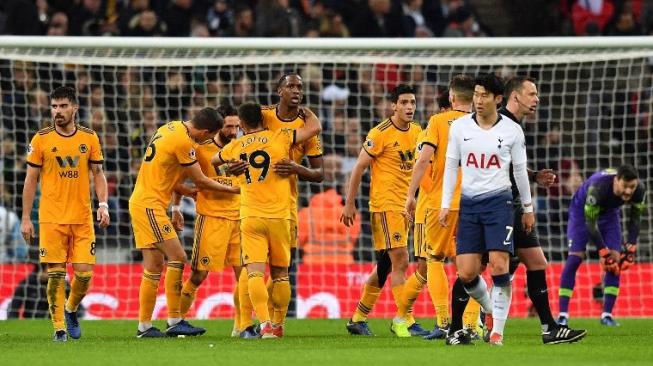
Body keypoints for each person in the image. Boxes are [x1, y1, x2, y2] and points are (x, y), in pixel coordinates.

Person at [212, 102, 322, 338]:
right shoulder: (280, 137)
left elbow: (213, 161)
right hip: (281, 216)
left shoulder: (235, 146)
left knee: (253, 274)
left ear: (241, 123)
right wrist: (306, 111)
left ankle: (263, 325)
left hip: (251, 216)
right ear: (263, 119)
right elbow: (314, 128)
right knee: (281, 274)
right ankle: (278, 325)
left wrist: (231, 169)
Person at [439, 73, 532, 346]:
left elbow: (519, 172)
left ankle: (497, 333)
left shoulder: (512, 131)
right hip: (469, 205)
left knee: (499, 265)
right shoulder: (459, 128)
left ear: (497, 99)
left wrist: (527, 207)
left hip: (499, 204)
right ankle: (493, 309)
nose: (478, 100)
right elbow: (450, 167)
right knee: (466, 272)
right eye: (476, 95)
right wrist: (447, 204)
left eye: (484, 96)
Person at [129, 107, 238, 338]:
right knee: (178, 257)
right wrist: (235, 189)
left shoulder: (170, 127)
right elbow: (201, 179)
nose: (207, 141)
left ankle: (144, 327)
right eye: (209, 136)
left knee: (154, 267)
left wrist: (184, 196)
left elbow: (168, 175)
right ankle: (174, 319)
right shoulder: (184, 142)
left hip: (146, 202)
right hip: (149, 205)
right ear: (205, 131)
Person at [500, 76, 586, 344]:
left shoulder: (513, 125)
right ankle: (460, 323)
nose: (537, 99)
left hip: (512, 203)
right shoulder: (502, 125)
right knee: (475, 268)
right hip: (499, 205)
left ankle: (550, 327)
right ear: (515, 96)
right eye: (532, 94)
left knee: (535, 263)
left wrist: (534, 175)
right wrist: (527, 206)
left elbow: (509, 166)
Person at [20, 86, 110, 342]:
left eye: (62, 106)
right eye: (54, 106)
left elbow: (98, 174)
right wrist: (26, 218)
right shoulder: (41, 139)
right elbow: (30, 180)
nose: (57, 111)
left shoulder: (90, 138)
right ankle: (59, 328)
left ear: (74, 108)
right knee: (56, 274)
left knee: (83, 274)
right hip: (51, 218)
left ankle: (70, 310)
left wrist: (102, 205)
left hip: (82, 218)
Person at [404, 74, 482, 340]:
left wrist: (410, 194)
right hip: (475, 202)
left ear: (451, 97)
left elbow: (423, 159)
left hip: (442, 203)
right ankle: (471, 324)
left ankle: (444, 321)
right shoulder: (482, 122)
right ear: (474, 98)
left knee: (434, 259)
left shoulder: (438, 121)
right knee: (473, 264)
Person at [341, 84, 422, 337]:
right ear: (393, 106)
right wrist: (350, 203)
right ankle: (405, 320)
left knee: (386, 265)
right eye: (404, 102)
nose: (409, 107)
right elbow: (358, 168)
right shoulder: (380, 133)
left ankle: (358, 318)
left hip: (406, 206)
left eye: (412, 102)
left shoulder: (418, 131)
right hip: (385, 206)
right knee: (401, 259)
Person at [170, 105, 256, 338]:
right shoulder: (201, 148)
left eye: (237, 126)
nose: (233, 131)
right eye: (229, 126)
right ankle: (176, 323)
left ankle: (242, 326)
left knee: (246, 274)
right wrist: (176, 207)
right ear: (218, 126)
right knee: (199, 275)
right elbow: (179, 178)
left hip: (239, 218)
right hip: (212, 218)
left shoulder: (244, 148)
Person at [262, 73, 324, 323]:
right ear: (279, 90)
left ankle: (272, 321)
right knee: (250, 265)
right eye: (291, 86)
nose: (296, 90)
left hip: (286, 205)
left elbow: (320, 174)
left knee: (282, 265)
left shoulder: (308, 129)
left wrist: (297, 169)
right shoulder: (262, 116)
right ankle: (245, 321)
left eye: (300, 87)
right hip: (252, 200)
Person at [558, 165, 645, 327]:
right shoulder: (598, 187)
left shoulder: (639, 190)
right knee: (575, 258)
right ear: (616, 180)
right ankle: (562, 314)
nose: (628, 191)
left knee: (615, 261)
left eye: (631, 187)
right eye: (624, 186)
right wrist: (603, 252)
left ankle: (607, 315)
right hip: (581, 213)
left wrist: (631, 247)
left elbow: (635, 219)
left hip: (609, 213)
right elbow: (590, 224)